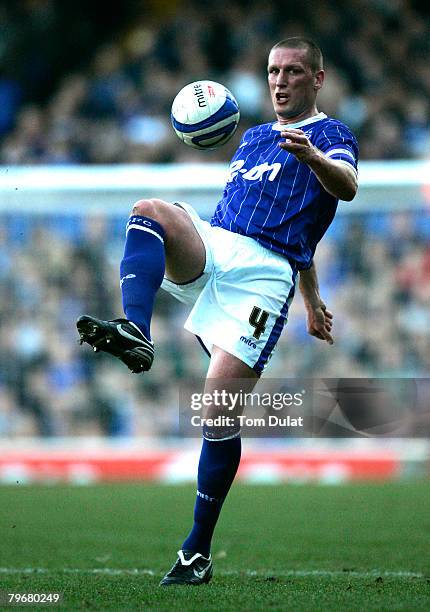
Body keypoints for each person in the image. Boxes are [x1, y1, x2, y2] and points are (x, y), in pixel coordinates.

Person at [77, 37, 358, 585]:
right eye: (274, 71)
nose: (280, 81)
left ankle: (196, 552)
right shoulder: (252, 138)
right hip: (218, 248)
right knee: (149, 210)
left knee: (217, 411)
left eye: (293, 72)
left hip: (264, 276)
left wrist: (310, 295)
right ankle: (135, 327)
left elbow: (342, 190)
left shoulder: (332, 136)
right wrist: (315, 296)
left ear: (316, 79)